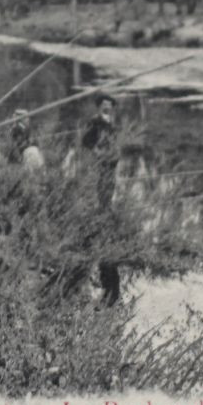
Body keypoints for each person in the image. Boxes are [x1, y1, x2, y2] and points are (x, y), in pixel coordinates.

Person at [80, 94, 122, 305]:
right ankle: (102, 214)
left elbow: (114, 144)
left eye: (110, 107)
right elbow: (86, 143)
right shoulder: (95, 123)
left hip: (110, 165)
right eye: (104, 106)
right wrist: (98, 153)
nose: (107, 109)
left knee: (108, 189)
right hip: (101, 165)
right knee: (101, 189)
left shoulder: (111, 124)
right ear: (99, 108)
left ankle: (105, 211)